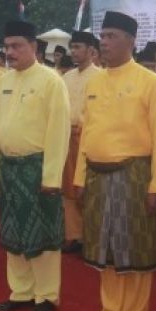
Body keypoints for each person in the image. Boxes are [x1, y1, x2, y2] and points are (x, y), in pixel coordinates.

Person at [72, 11, 156, 311]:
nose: (104, 41)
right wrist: (79, 177)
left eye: (112, 35)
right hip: (97, 175)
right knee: (105, 250)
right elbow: (88, 133)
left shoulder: (150, 82)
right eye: (103, 35)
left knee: (134, 251)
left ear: (131, 41)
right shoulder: (94, 82)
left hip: (134, 175)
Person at [0, 20, 70, 311]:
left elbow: (58, 132)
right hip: (9, 168)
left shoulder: (51, 81)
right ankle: (21, 292)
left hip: (37, 169)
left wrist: (51, 178)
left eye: (17, 46)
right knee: (12, 230)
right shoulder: (4, 81)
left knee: (43, 234)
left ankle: (46, 296)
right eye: (6, 47)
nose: (10, 52)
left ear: (34, 47)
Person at [61, 30, 101, 255]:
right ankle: (73, 235)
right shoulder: (66, 77)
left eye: (78, 47)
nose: (74, 51)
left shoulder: (99, 77)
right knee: (68, 188)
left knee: (87, 187)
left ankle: (90, 236)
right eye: (72, 47)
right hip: (67, 138)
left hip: (88, 139)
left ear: (91, 50)